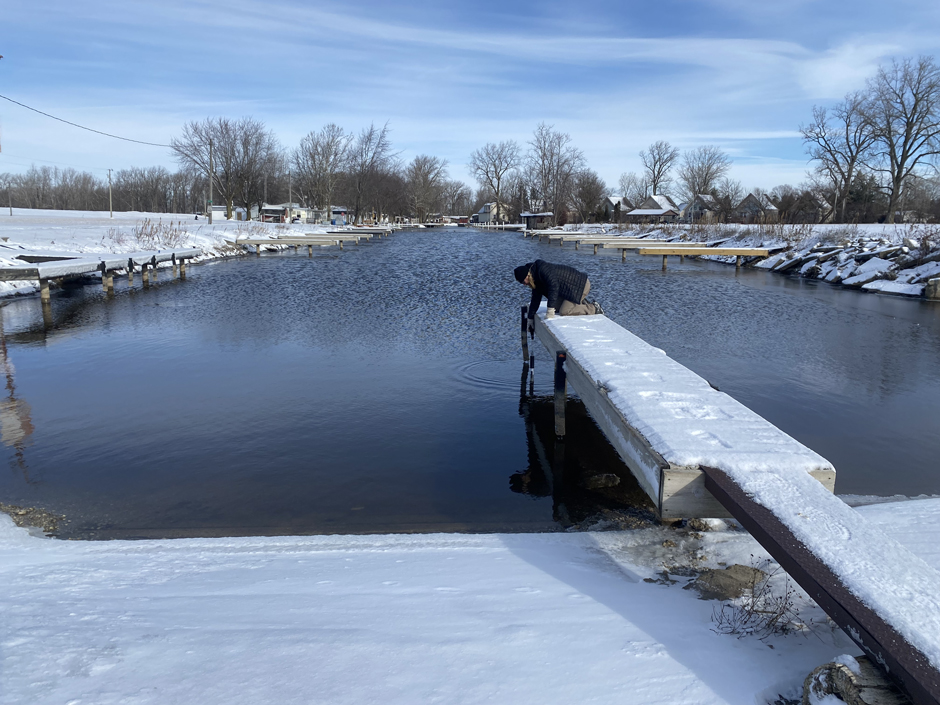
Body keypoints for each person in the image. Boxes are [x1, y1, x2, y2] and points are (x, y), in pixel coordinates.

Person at [514, 259, 603, 332]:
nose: (524, 284)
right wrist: (530, 318)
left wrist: (550, 311)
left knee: (564, 311)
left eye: (523, 282)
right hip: (569, 290)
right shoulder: (535, 278)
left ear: (528, 275)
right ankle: (580, 302)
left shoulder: (542, 269)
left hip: (580, 285)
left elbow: (554, 287)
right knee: (556, 306)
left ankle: (593, 308)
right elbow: (535, 299)